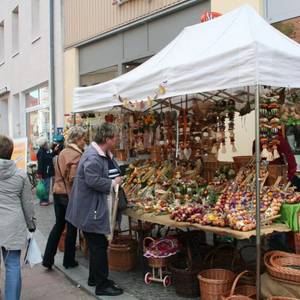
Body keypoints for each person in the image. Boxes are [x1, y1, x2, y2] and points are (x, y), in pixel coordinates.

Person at [66, 123, 123, 297]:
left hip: (91, 208)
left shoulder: (101, 153)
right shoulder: (93, 156)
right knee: (99, 246)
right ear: (107, 139)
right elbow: (92, 180)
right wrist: (113, 183)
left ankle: (94, 278)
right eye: (115, 137)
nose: (117, 139)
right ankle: (102, 285)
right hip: (90, 209)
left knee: (96, 245)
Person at [42, 127, 86, 270]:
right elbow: (73, 178)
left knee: (59, 225)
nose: (84, 141)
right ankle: (69, 260)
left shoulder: (63, 152)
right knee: (71, 227)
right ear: (77, 139)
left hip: (57, 192)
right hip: (68, 195)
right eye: (83, 139)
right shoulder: (76, 155)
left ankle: (48, 259)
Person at [0, 135, 36, 300]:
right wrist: (31, 224)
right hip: (13, 225)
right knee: (12, 265)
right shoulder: (21, 175)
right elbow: (28, 204)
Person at [36, 137, 55, 206]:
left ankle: (46, 200)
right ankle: (43, 201)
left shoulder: (44, 151)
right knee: (45, 187)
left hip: (46, 172)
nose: (48, 144)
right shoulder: (41, 152)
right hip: (44, 172)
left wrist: (53, 151)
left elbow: (49, 157)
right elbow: (40, 163)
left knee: (46, 187)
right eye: (47, 143)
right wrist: (39, 173)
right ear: (44, 144)